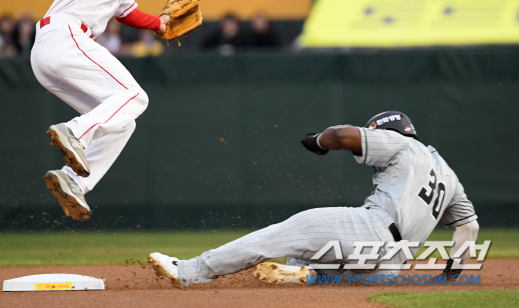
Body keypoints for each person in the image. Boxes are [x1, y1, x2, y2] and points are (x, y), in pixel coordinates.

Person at [149, 111, 479, 287]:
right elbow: (469, 228)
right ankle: (307, 274)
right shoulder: (448, 175)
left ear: (391, 132)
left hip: (372, 229)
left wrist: (319, 140)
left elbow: (340, 135)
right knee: (304, 259)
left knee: (286, 233)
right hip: (391, 265)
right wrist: (450, 276)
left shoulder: (400, 143)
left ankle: (190, 271)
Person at [30, 0, 198, 221]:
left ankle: (73, 181)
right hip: (65, 37)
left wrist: (159, 23)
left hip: (52, 53)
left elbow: (127, 12)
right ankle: (76, 131)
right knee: (135, 96)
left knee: (122, 123)